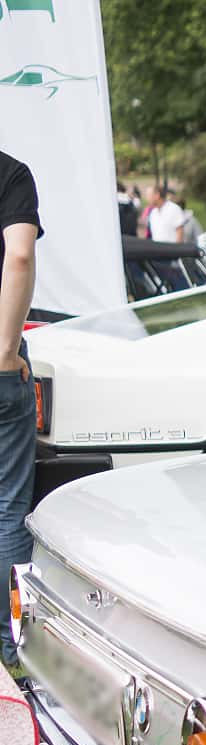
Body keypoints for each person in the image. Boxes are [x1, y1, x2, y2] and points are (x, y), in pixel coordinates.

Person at [0, 152, 40, 668]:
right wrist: (6, 349)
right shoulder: (10, 173)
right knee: (7, 507)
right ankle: (12, 646)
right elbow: (20, 257)